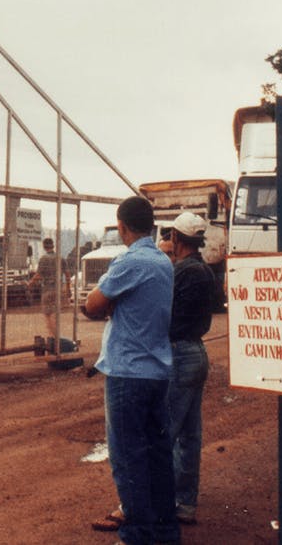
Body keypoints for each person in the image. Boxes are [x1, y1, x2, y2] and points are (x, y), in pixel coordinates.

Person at [82, 196, 178, 545]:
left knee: (128, 458)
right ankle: (166, 532)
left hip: (127, 372)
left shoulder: (129, 262)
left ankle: (138, 535)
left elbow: (93, 304)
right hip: (157, 371)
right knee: (157, 454)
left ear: (122, 226)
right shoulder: (163, 262)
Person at [162, 212, 216, 526]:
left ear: (176, 239)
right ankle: (186, 504)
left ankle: (163, 504)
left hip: (178, 353)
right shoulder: (205, 272)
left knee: (167, 431)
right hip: (197, 351)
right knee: (190, 435)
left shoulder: (179, 272)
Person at [31, 237, 65, 341]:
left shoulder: (43, 259)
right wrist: (67, 289)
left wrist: (30, 283)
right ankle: (57, 337)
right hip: (58, 289)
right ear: (53, 245)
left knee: (48, 315)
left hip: (47, 290)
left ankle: (53, 338)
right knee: (55, 314)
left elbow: (38, 275)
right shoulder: (61, 258)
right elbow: (67, 274)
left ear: (44, 246)